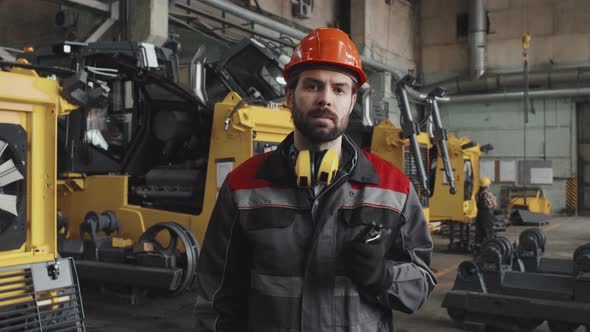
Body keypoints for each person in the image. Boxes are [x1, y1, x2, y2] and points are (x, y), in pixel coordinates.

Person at [195, 27, 437, 332]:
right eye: (313, 86)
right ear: (289, 95)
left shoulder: (393, 188)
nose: (325, 99)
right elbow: (217, 295)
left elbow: (423, 281)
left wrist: (383, 276)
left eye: (339, 89)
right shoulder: (243, 186)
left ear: (351, 102)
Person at [474, 176, 497, 247]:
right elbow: (493, 204)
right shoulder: (488, 194)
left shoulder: (477, 194)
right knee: (488, 231)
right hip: (487, 215)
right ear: (487, 186)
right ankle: (489, 246)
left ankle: (478, 247)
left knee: (480, 231)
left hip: (479, 215)